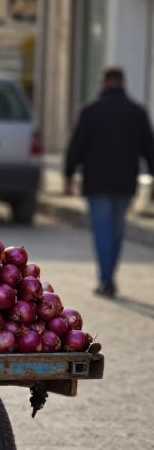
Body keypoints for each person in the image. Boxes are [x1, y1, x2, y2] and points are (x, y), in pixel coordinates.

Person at [65, 66, 154, 297]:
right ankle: (109, 276)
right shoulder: (137, 112)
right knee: (117, 230)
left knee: (102, 231)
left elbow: (77, 145)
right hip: (125, 183)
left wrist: (69, 174)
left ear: (103, 82)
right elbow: (150, 149)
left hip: (97, 183)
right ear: (123, 83)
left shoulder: (91, 111)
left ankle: (106, 279)